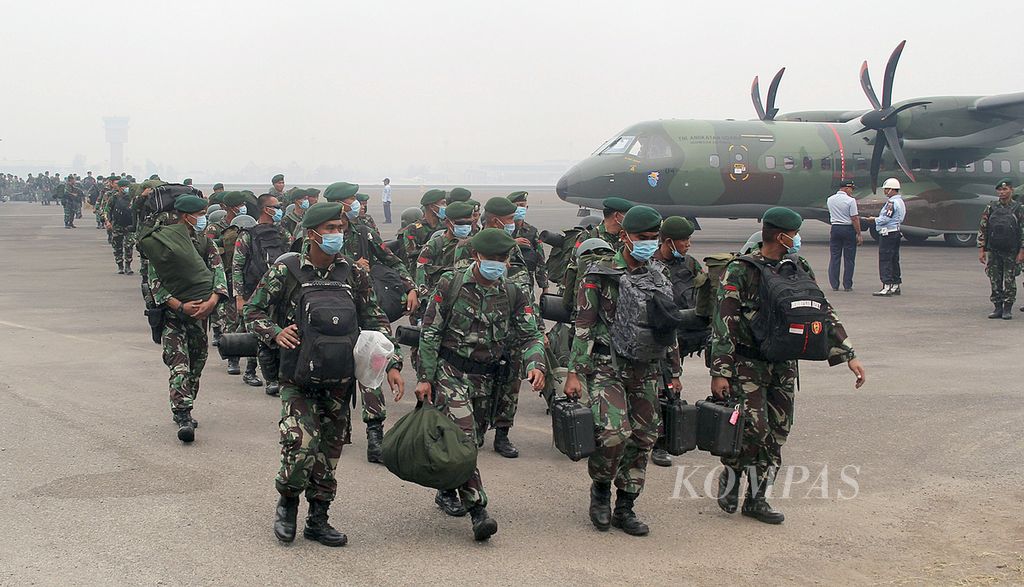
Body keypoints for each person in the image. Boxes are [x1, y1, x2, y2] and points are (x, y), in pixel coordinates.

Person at [244, 202, 404, 547]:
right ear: (312, 232)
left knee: (329, 453)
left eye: (340, 228)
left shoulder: (353, 274)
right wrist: (274, 331)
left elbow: (374, 321)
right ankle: (287, 504)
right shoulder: (286, 269)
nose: (337, 234)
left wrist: (391, 363)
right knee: (300, 445)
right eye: (331, 228)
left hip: (339, 380)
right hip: (298, 377)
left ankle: (319, 519)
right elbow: (253, 310)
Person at [709, 206, 866, 524]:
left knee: (777, 432)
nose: (797, 240)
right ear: (780, 236)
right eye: (793, 234)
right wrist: (721, 371)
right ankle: (733, 471)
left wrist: (848, 354)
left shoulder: (798, 266)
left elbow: (821, 310)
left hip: (783, 364)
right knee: (753, 430)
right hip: (747, 364)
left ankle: (757, 499)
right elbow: (723, 322)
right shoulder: (740, 270)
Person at [415, 228, 546, 541]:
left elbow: (530, 334)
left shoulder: (514, 290)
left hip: (487, 378)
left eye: (503, 259)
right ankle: (478, 511)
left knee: (471, 439)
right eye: (492, 258)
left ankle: (447, 487)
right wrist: (425, 377)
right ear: (476, 256)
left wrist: (536, 363)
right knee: (463, 436)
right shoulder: (450, 283)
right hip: (451, 371)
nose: (497, 263)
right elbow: (431, 332)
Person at [564, 205, 681, 537]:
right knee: (614, 433)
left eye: (652, 239)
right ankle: (600, 490)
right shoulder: (599, 274)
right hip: (607, 366)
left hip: (646, 368)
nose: (647, 244)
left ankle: (626, 506)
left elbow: (667, 327)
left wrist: (674, 372)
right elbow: (584, 325)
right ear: (625, 236)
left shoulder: (659, 275)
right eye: (642, 238)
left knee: (644, 438)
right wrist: (574, 372)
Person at [147, 195, 228, 443]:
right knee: (179, 363)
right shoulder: (165, 242)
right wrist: (179, 305)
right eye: (200, 214)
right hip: (174, 315)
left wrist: (211, 302)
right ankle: (183, 413)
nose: (203, 219)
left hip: (200, 316)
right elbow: (155, 280)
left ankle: (185, 400)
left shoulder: (205, 243)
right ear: (186, 216)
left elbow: (218, 273)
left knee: (197, 362)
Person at [649, 216, 706, 468]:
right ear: (668, 241)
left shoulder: (690, 265)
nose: (688, 244)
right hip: (655, 337)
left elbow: (702, 297)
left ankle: (663, 438)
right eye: (684, 240)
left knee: (670, 388)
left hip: (680, 339)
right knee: (661, 388)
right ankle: (658, 443)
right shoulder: (649, 265)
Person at [233, 193, 291, 394]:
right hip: (253, 291)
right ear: (267, 209)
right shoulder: (247, 235)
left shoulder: (282, 233)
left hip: (278, 292)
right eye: (276, 206)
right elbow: (237, 267)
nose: (279, 209)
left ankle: (274, 377)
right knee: (254, 331)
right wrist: (239, 297)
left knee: (276, 330)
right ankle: (250, 371)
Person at [977, 179, 1024, 319]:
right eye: (1000, 190)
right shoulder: (991, 207)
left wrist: (1022, 251)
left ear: (1011, 190)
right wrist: (981, 249)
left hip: (1011, 250)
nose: (1002, 192)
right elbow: (983, 228)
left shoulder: (1019, 208)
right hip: (994, 249)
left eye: (1005, 190)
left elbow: (1023, 230)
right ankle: (998, 307)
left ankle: (1008, 308)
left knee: (1009, 280)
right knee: (995, 279)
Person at [864, 178, 906, 296]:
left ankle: (886, 285)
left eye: (887, 189)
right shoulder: (901, 202)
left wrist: (874, 220)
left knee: (885, 259)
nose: (885, 191)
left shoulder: (892, 203)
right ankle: (896, 284)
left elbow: (886, 218)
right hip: (896, 231)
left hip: (888, 233)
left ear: (893, 190)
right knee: (894, 259)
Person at [826, 180, 863, 291]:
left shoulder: (830, 199)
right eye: (851, 188)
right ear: (846, 188)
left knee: (835, 257)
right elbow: (854, 218)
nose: (852, 191)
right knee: (849, 258)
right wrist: (859, 233)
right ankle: (847, 284)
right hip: (847, 229)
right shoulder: (851, 201)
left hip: (835, 228)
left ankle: (834, 284)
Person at [102, 179, 137, 274]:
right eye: (124, 187)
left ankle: (128, 266)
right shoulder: (114, 198)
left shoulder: (133, 198)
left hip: (130, 226)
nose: (126, 188)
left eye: (127, 187)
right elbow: (106, 210)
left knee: (129, 245)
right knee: (117, 246)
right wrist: (108, 222)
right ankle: (120, 265)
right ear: (119, 188)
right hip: (117, 225)